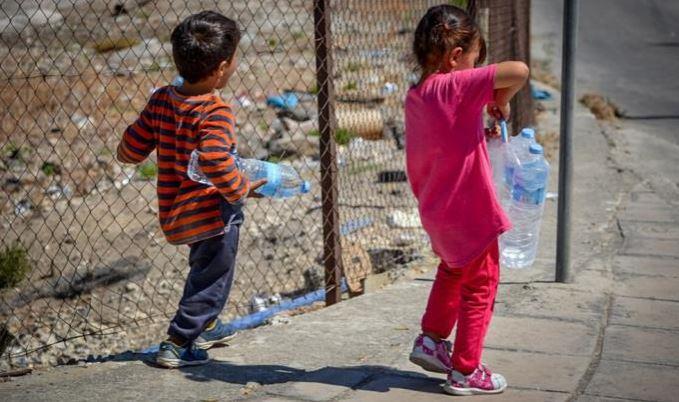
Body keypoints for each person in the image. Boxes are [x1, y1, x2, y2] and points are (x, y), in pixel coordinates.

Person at [115, 11, 266, 368]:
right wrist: (240, 189)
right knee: (213, 274)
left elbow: (131, 150)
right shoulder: (216, 111)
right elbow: (214, 160)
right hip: (213, 212)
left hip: (176, 208)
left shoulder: (162, 100)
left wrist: (125, 150)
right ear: (221, 67)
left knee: (204, 268)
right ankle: (179, 341)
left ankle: (208, 325)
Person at [404, 4, 529, 395]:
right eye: (476, 60)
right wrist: (502, 99)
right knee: (482, 284)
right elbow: (520, 71)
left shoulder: (418, 93)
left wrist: (482, 123)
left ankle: (431, 340)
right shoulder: (455, 85)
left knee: (453, 271)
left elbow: (448, 141)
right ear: (457, 58)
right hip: (470, 211)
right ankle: (466, 370)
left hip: (438, 210)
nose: (478, 68)